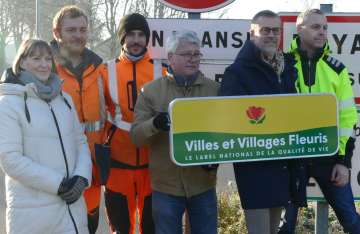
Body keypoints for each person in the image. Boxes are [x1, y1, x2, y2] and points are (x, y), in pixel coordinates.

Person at [220, 10, 307, 234]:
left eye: (275, 30)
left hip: (283, 165)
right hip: (255, 168)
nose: (271, 35)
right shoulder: (237, 72)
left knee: (273, 229)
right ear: (252, 34)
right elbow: (231, 120)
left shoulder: (287, 68)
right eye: (264, 30)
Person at [130, 29, 220, 234]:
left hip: (203, 185)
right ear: (170, 57)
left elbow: (225, 133)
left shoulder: (215, 90)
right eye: (186, 54)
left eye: (196, 54)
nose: (193, 59)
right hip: (166, 188)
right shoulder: (150, 91)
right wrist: (155, 123)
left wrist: (216, 158)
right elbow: (135, 137)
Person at [278, 9, 360, 234]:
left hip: (329, 159)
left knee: (352, 222)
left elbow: (348, 118)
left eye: (325, 28)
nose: (322, 32)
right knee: (285, 226)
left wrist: (344, 162)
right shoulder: (282, 65)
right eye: (316, 27)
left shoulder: (337, 69)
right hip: (292, 158)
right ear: (299, 28)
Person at [0, 38, 92, 234]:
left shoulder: (64, 99)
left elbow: (80, 143)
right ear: (22, 63)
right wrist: (59, 185)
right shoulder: (8, 104)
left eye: (48, 58)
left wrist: (82, 178)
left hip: (73, 210)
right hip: (33, 215)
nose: (44, 64)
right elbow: (10, 159)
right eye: (36, 58)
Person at [103, 13, 167, 234]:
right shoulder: (105, 71)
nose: (136, 40)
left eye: (141, 35)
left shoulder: (162, 71)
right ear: (122, 38)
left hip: (154, 165)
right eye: (130, 35)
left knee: (151, 228)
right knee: (122, 228)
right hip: (117, 164)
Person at [51, 6, 108, 233]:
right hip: (56, 171)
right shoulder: (44, 68)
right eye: (71, 30)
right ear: (57, 33)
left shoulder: (101, 69)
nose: (78, 35)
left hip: (92, 173)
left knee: (87, 227)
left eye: (83, 30)